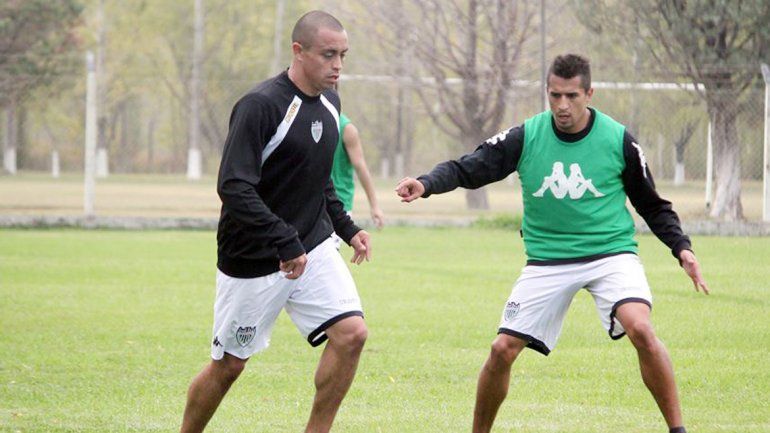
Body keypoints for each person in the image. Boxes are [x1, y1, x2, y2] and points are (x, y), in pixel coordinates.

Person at [396, 54, 708, 433]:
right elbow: (469, 167)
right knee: (501, 350)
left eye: (571, 96)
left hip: (610, 254)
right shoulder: (526, 136)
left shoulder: (619, 140)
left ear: (589, 93)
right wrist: (426, 183)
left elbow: (652, 205)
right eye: (554, 95)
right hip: (547, 260)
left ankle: (678, 430)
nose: (562, 105)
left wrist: (682, 248)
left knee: (640, 329)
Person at [180, 11, 371, 433]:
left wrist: (347, 228)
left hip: (312, 245)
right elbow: (233, 186)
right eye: (328, 55)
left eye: (343, 55)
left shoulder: (331, 103)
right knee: (229, 366)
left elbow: (318, 180)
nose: (338, 65)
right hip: (255, 256)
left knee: (352, 334)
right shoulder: (261, 106)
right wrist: (283, 239)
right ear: (298, 51)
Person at [331, 110, 385, 229]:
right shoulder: (307, 120)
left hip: (339, 203)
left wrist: (374, 206)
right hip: (313, 203)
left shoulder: (346, 128)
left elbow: (361, 167)